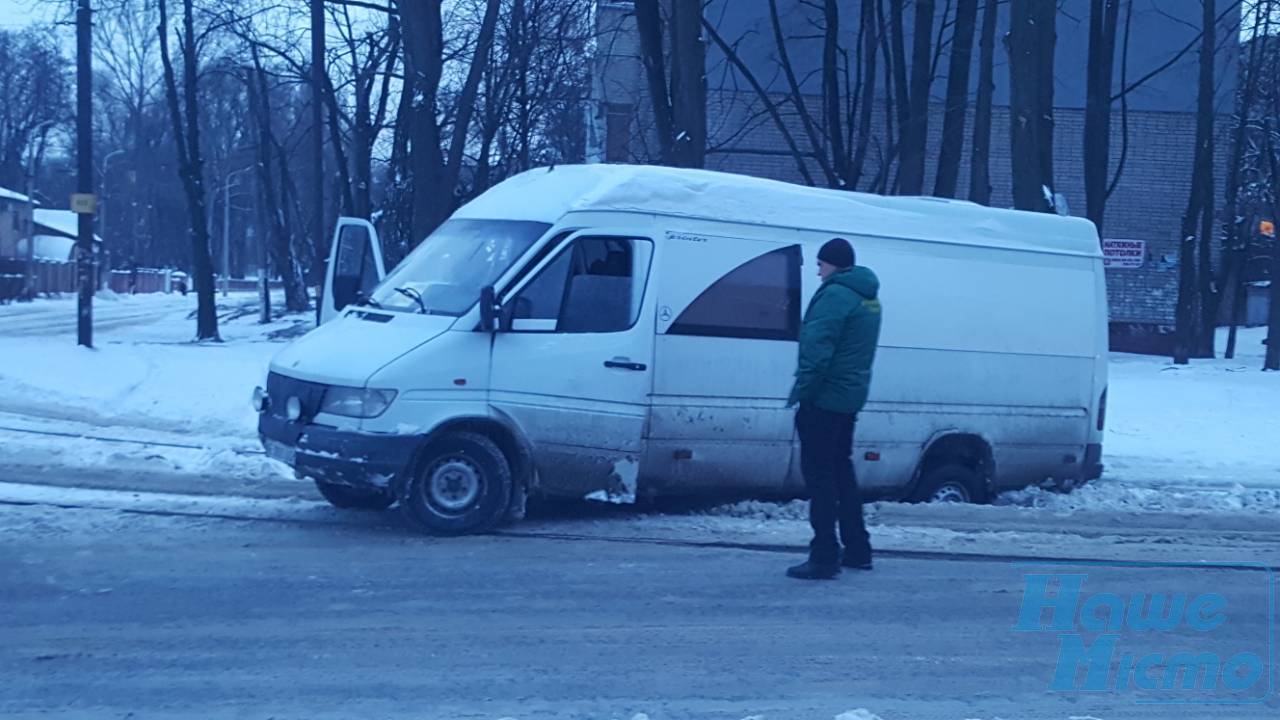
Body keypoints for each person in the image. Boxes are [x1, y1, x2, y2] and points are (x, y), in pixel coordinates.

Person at [785, 237, 882, 580]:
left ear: (833, 264)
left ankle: (824, 554)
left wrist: (803, 393)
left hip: (824, 399)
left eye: (820, 263)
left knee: (820, 478)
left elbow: (817, 348)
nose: (817, 269)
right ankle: (858, 549)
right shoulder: (868, 297)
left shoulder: (836, 295)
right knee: (842, 473)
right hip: (848, 398)